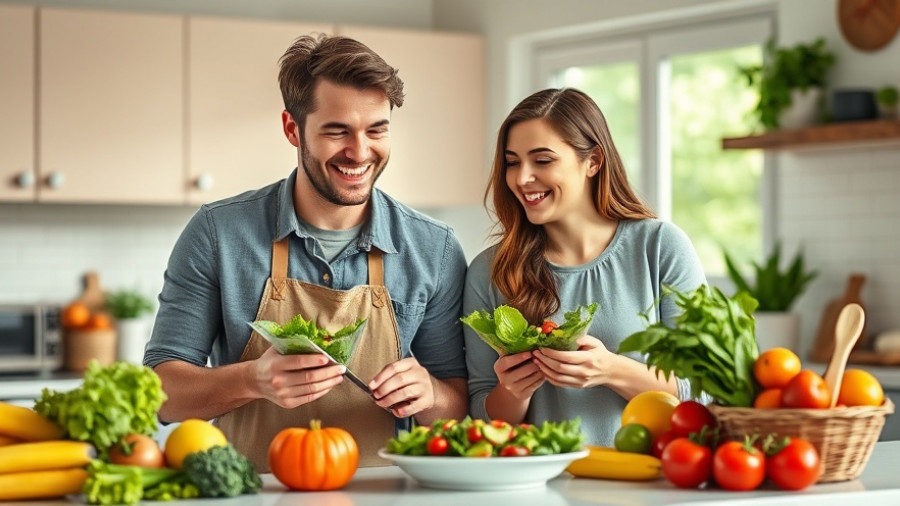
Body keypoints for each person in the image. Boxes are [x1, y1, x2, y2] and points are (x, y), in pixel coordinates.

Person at [144, 34, 468, 470]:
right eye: (337, 131)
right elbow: (161, 393)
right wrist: (253, 378)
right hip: (252, 497)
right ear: (292, 128)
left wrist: (429, 393)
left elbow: (460, 409)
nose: (360, 152)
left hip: (384, 496)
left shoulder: (435, 248)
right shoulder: (218, 233)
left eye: (376, 130)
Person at [463, 88, 706, 447]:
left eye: (542, 161)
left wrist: (611, 370)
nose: (522, 177)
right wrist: (513, 392)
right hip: (540, 489)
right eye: (513, 162)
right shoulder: (489, 271)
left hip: (651, 484)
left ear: (593, 161)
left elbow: (703, 391)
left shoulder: (660, 248)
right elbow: (481, 417)